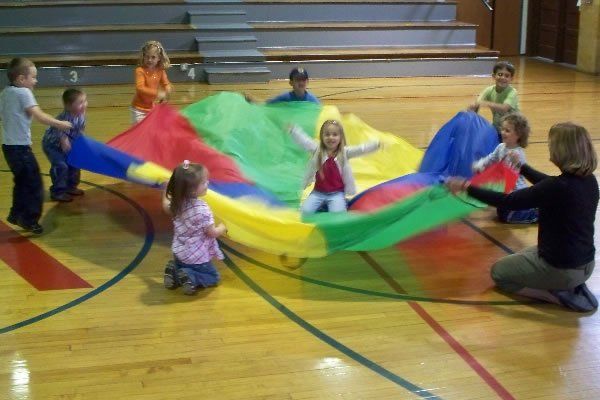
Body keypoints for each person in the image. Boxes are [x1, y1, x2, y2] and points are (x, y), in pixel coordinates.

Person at [446, 122, 598, 312]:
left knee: (499, 274)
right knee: (520, 257)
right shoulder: (589, 181)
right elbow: (548, 184)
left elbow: (509, 201)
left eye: (552, 144)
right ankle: (568, 284)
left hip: (562, 268)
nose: (549, 147)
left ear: (562, 150)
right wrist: (522, 167)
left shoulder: (556, 187)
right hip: (585, 264)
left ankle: (555, 295)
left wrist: (466, 187)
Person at [0, 58, 72, 234]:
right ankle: (29, 220)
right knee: (34, 184)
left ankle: (16, 214)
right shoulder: (24, 93)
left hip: (8, 147)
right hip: (20, 149)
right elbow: (38, 115)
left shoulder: (5, 92)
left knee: (22, 182)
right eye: (33, 77)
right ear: (20, 79)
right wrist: (59, 124)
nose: (36, 80)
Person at [162, 160, 227, 295]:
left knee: (182, 266)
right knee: (213, 277)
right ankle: (190, 277)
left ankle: (174, 270)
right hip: (196, 257)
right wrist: (222, 227)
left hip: (179, 253)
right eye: (204, 182)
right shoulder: (202, 209)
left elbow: (165, 204)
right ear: (192, 190)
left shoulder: (176, 204)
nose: (207, 183)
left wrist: (165, 189)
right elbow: (212, 232)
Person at [289, 119, 380, 215]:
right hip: (318, 193)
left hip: (336, 194)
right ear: (322, 137)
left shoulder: (344, 152)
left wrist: (376, 145)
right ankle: (324, 206)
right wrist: (293, 130)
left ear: (340, 137)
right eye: (327, 134)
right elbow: (305, 141)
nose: (331, 137)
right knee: (304, 212)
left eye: (335, 134)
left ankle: (336, 204)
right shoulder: (317, 150)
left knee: (338, 216)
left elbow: (361, 149)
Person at [472, 112, 538, 223]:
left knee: (506, 217)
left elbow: (514, 173)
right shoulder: (501, 147)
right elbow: (491, 158)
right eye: (502, 129)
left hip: (516, 192)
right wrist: (481, 164)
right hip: (504, 190)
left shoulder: (518, 153)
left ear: (518, 135)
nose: (503, 132)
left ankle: (534, 214)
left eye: (507, 130)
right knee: (501, 213)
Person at [42, 88, 87, 202]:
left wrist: (81, 144)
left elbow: (80, 131)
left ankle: (71, 187)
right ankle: (58, 191)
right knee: (61, 166)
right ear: (68, 106)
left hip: (69, 143)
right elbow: (62, 138)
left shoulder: (81, 116)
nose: (84, 105)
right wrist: (65, 142)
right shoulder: (63, 118)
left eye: (85, 101)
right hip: (52, 146)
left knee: (75, 163)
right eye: (80, 103)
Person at [468, 61, 519, 133]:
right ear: (494, 76)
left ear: (511, 79)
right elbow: (477, 104)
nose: (503, 78)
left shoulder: (512, 92)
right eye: (500, 74)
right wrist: (471, 113)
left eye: (507, 76)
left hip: (513, 130)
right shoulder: (489, 90)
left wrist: (486, 103)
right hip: (497, 127)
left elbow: (504, 108)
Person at [130, 40, 172, 124]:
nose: (149, 60)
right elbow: (140, 88)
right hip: (138, 110)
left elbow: (166, 84)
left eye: (153, 57)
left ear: (159, 58)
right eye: (147, 56)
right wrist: (157, 93)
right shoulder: (140, 71)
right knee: (140, 133)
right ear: (143, 56)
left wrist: (167, 91)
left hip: (151, 108)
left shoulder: (160, 70)